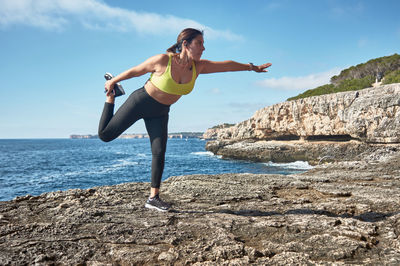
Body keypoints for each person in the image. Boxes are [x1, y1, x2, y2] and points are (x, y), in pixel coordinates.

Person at [98, 28, 272, 212]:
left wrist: (252, 67)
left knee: (159, 151)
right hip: (140, 102)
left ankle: (153, 198)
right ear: (185, 44)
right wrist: (112, 81)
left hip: (160, 112)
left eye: (203, 44)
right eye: (200, 44)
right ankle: (112, 96)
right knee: (105, 135)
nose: (203, 48)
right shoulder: (163, 60)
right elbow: (136, 71)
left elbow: (226, 65)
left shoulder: (199, 67)